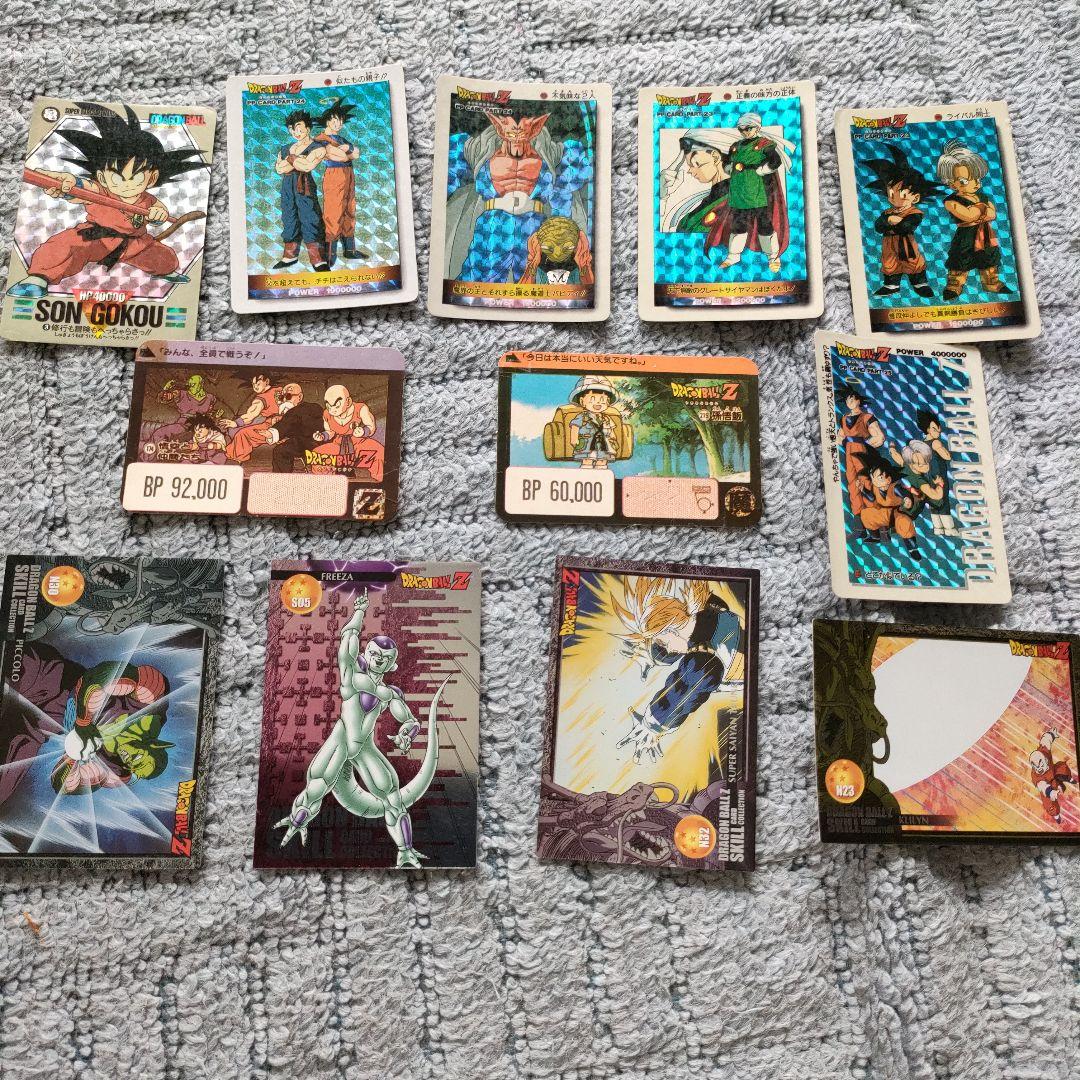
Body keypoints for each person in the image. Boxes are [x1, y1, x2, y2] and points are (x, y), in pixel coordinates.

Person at [7, 103, 207, 298]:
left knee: (165, 258)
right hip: (95, 238)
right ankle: (37, 280)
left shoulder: (147, 200)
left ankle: (166, 272)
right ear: (102, 177)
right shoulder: (100, 191)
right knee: (63, 245)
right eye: (117, 177)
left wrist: (158, 214)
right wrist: (68, 184)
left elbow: (158, 210)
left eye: (136, 176)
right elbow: (82, 188)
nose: (126, 184)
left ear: (152, 178)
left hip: (134, 244)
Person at [863, 144, 944, 298]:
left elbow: (908, 225)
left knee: (913, 262)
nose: (895, 198)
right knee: (889, 263)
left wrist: (896, 223)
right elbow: (878, 226)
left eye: (902, 194)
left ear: (916, 197)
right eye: (891, 193)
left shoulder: (914, 212)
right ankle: (891, 285)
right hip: (889, 244)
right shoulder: (887, 212)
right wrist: (888, 220)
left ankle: (920, 283)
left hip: (906, 245)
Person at [936, 138, 1012, 300]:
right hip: (965, 237)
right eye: (966, 180)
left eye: (977, 179)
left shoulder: (982, 196)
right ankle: (954, 285)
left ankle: (991, 282)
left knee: (989, 258)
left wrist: (978, 210)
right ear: (952, 184)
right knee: (960, 260)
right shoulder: (951, 201)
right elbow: (968, 215)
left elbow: (992, 214)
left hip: (985, 235)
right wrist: (981, 210)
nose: (975, 184)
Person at [272, 111, 329, 273]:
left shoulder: (318, 147)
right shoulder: (285, 148)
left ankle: (318, 260)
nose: (295, 132)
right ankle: (289, 257)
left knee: (310, 217)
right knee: (289, 217)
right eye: (291, 129)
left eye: (298, 127)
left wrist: (290, 159)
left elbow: (307, 167)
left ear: (308, 128)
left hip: (305, 185)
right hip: (287, 186)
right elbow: (279, 169)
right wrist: (297, 160)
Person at [313, 98, 366, 266]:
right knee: (333, 212)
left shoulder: (341, 139)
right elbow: (340, 156)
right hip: (334, 174)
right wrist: (347, 152)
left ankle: (349, 250)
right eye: (335, 120)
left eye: (341, 121)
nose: (339, 124)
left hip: (348, 173)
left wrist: (348, 150)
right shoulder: (321, 139)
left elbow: (356, 154)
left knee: (350, 209)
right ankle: (330, 254)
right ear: (327, 120)